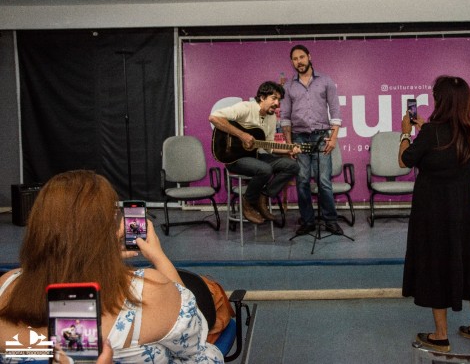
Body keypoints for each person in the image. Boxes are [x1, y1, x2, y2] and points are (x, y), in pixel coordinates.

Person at [0, 170, 224, 363]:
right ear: (106, 229)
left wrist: (102, 257)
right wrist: (158, 256)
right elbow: (194, 336)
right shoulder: (151, 290)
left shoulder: (6, 285)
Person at [398, 76, 470, 352]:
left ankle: (441, 335)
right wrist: (426, 129)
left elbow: (404, 160)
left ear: (441, 100)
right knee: (469, 261)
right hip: (463, 209)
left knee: (435, 263)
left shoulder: (431, 133)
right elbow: (451, 150)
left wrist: (406, 133)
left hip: (433, 210)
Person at [209, 81, 301, 224]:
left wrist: (289, 148)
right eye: (274, 98)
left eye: (279, 100)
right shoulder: (246, 107)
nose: (277, 103)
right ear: (262, 97)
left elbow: (268, 146)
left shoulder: (271, 117)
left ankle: (263, 196)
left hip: (255, 156)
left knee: (292, 166)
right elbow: (214, 117)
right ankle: (247, 203)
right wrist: (241, 135)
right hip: (233, 158)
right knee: (265, 169)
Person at [280, 44, 343, 235]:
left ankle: (330, 220)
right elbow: (285, 118)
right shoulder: (288, 87)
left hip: (322, 137)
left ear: (309, 56)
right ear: (292, 62)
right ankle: (308, 221)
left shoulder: (326, 81)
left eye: (301, 57)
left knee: (324, 181)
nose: (299, 61)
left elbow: (335, 111)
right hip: (299, 138)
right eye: (295, 59)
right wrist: (289, 144)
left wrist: (333, 138)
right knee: (302, 181)